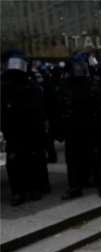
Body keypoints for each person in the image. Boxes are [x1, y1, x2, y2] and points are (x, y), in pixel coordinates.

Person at [56, 53, 101, 199]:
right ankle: (75, 187)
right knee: (72, 157)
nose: (78, 69)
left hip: (92, 125)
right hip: (73, 127)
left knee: (97, 155)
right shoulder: (64, 85)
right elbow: (58, 107)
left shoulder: (95, 81)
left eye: (81, 65)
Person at [1, 50, 51, 205]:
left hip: (32, 129)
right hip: (13, 130)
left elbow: (42, 107)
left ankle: (35, 187)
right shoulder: (4, 87)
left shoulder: (33, 85)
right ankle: (18, 191)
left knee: (34, 156)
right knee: (13, 159)